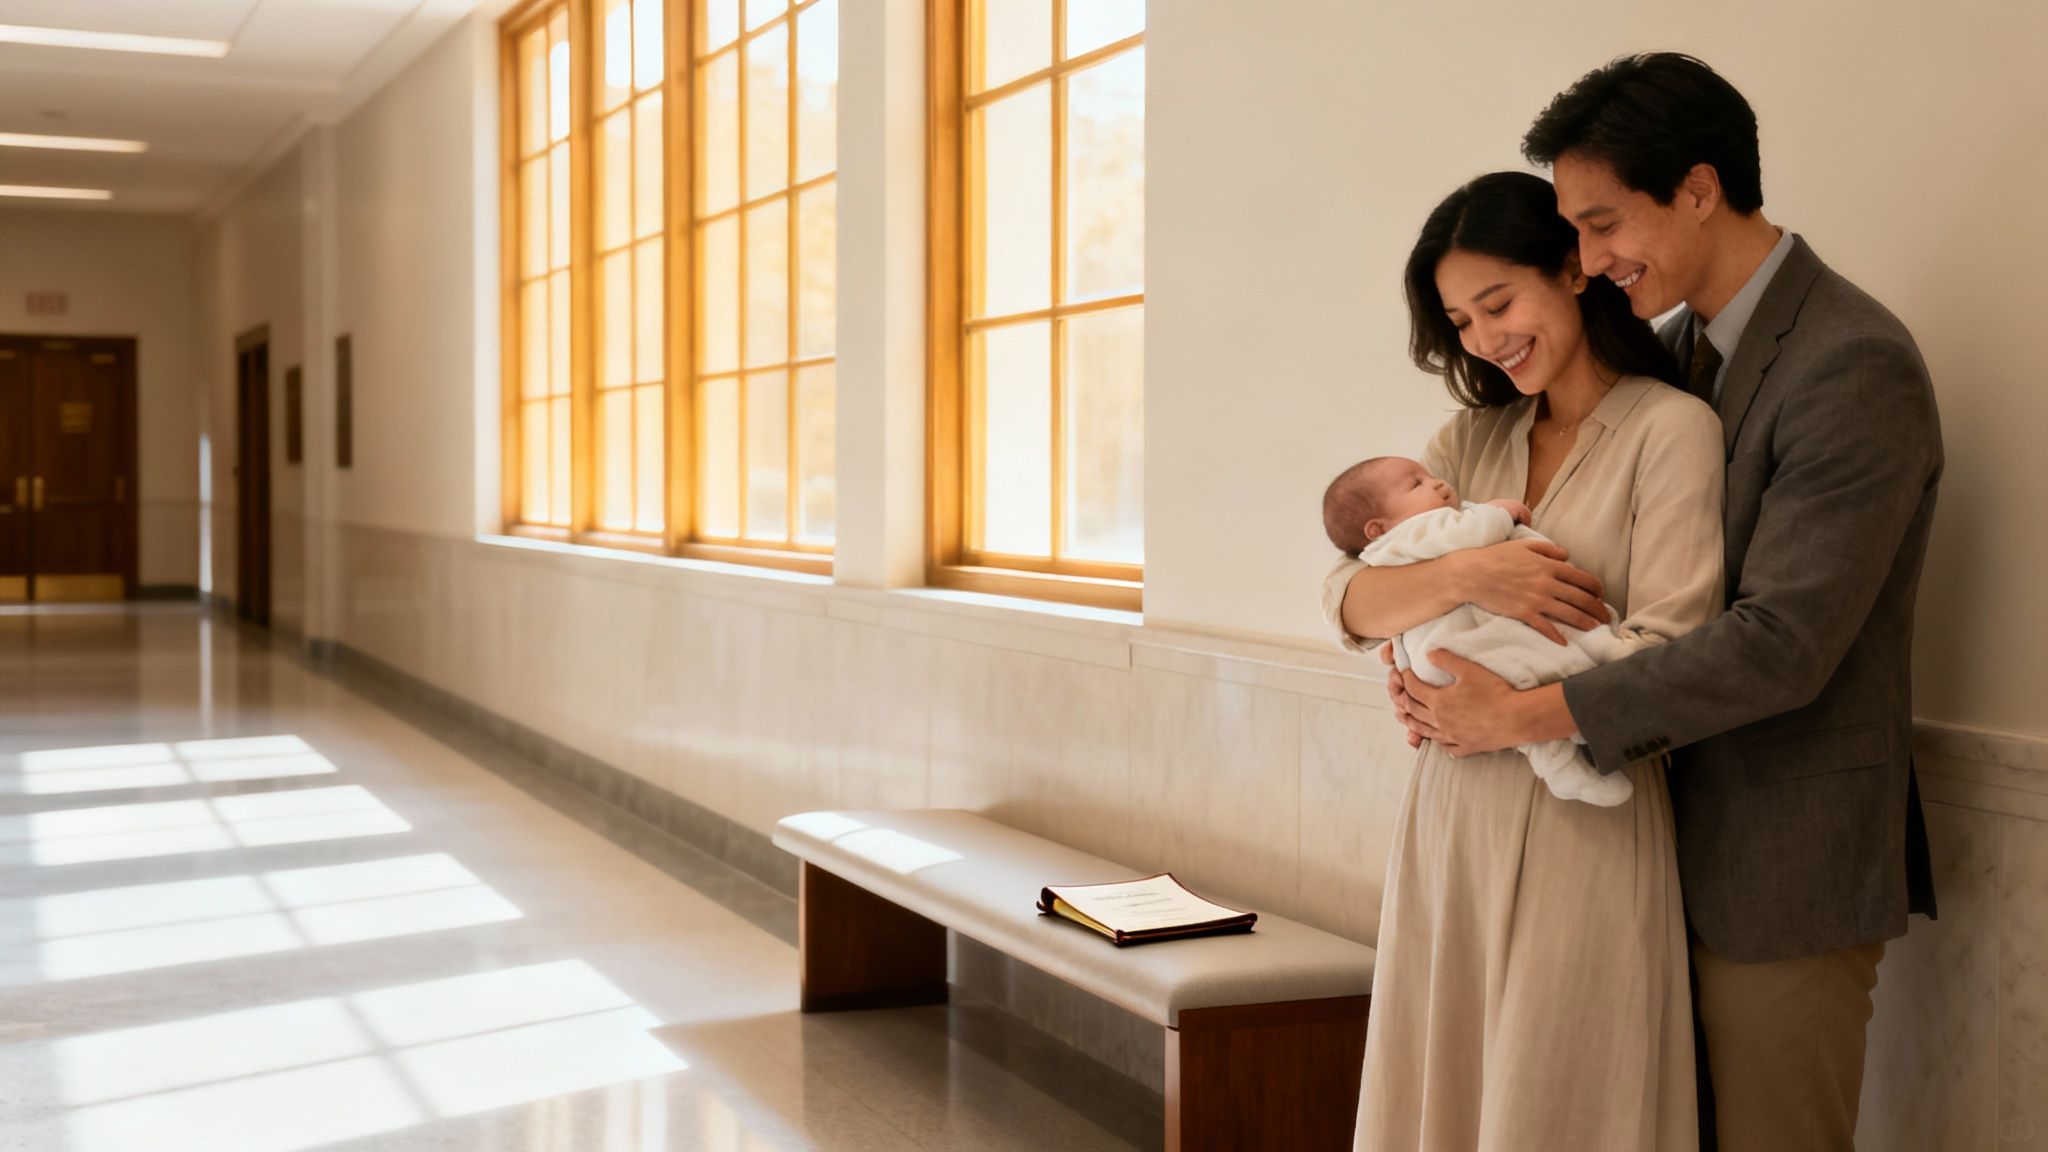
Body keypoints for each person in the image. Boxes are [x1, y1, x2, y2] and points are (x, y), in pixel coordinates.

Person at [1372, 54, 1943, 1151]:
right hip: (1632, 853)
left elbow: (1782, 643)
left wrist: (1516, 715)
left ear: (1694, 189)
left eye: (1599, 225)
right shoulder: (1669, 355)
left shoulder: (1849, 361)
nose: (1583, 260)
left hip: (1779, 860)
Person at [1320, 169, 1723, 1150]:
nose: (1483, 338)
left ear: (1571, 272)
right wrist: (1473, 574)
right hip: (1451, 807)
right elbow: (1352, 597)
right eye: (1459, 320)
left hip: (1584, 800)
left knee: (1563, 1089)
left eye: (1496, 302)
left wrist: (1507, 712)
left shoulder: (1670, 430)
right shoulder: (1468, 438)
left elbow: (1674, 638)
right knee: (1447, 1084)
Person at [1322, 456, 1643, 807]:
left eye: (1430, 477)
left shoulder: (1391, 545)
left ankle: (1562, 761)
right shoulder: (1417, 531)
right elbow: (1342, 594)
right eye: (1417, 484)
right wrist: (1499, 512)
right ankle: (1591, 690)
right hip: (1462, 651)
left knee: (1539, 658)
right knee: (1545, 651)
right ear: (1376, 528)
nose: (1438, 483)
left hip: (1447, 657)